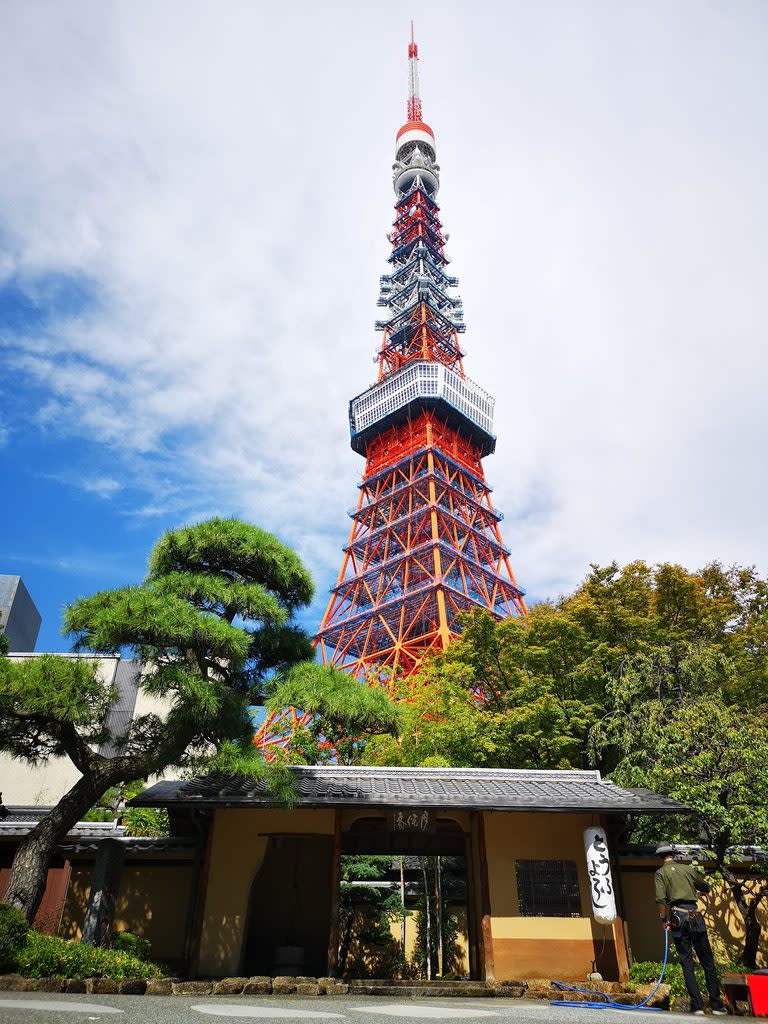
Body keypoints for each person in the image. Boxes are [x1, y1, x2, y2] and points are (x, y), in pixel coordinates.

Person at [654, 843, 727, 1015]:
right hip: (695, 916)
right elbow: (705, 886)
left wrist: (664, 920)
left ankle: (697, 1006)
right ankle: (717, 1005)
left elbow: (660, 899)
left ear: (660, 857)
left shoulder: (660, 873)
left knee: (687, 962)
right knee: (707, 961)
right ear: (674, 854)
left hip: (678, 918)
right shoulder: (687, 869)